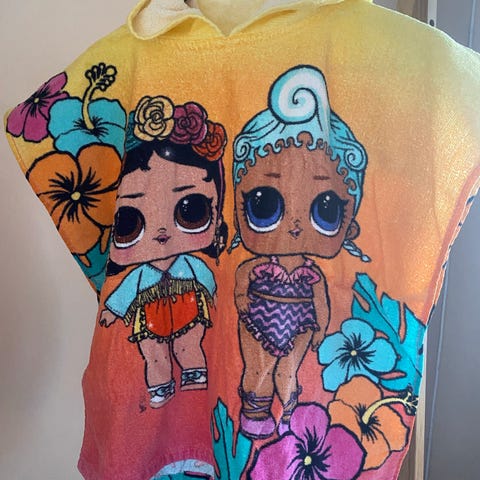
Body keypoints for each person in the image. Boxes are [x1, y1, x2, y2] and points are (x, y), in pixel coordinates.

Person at [231, 65, 370, 438]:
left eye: (326, 209)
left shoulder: (311, 273)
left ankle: (289, 415)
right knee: (256, 368)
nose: (294, 226)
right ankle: (255, 413)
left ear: (349, 225)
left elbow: (320, 299)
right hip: (258, 315)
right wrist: (242, 299)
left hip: (299, 322)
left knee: (287, 370)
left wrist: (321, 326)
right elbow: (242, 277)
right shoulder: (258, 266)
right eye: (264, 204)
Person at [100, 95, 228, 408]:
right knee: (154, 354)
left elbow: (209, 280)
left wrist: (217, 296)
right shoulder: (141, 274)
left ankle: (195, 372)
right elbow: (126, 290)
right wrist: (112, 310)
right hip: (151, 316)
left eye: (191, 210)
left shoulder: (191, 265)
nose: (161, 233)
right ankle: (160, 386)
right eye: (130, 221)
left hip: (188, 308)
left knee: (189, 345)